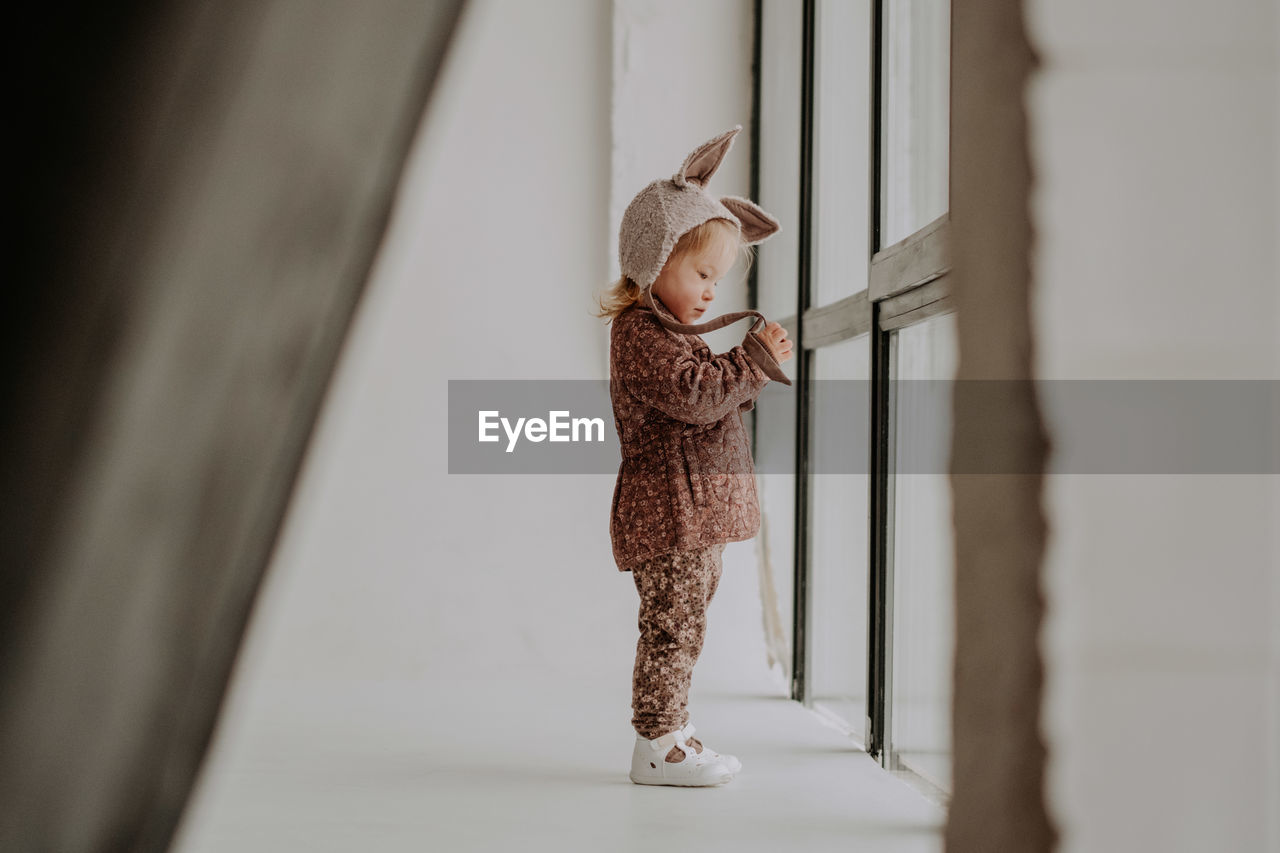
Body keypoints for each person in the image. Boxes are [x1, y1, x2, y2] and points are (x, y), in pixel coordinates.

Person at [594, 125, 794, 787]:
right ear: (654, 260)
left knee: (685, 624)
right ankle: (656, 743)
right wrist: (753, 361)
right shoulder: (642, 334)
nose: (713, 291)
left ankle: (674, 729)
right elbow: (700, 397)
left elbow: (715, 405)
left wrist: (747, 369)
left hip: (692, 515)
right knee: (672, 626)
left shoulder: (672, 333)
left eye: (719, 278)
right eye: (702, 273)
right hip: (670, 515)